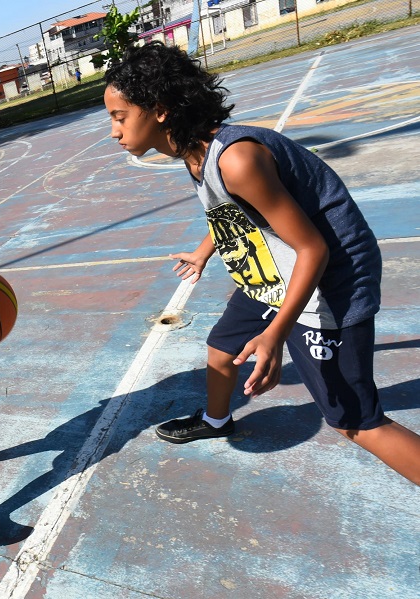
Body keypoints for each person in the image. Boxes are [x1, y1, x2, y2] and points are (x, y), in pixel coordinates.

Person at [103, 41, 420, 485]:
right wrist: (203, 250)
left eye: (119, 117)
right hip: (276, 271)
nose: (114, 131)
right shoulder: (196, 155)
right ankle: (216, 421)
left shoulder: (236, 159)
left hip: (329, 279)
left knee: (357, 423)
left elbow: (314, 249)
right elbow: (236, 213)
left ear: (157, 110)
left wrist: (275, 332)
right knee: (221, 349)